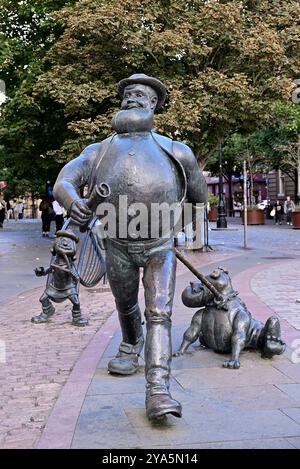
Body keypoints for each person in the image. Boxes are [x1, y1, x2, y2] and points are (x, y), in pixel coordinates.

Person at [53, 73, 207, 420]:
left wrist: (173, 227)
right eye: (126, 95)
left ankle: (158, 390)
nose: (130, 100)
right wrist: (73, 199)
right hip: (117, 245)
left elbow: (199, 198)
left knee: (159, 313)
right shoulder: (100, 150)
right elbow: (65, 180)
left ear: (154, 104)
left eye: (139, 95)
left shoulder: (176, 151)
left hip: (159, 246)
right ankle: (130, 343)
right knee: (125, 304)